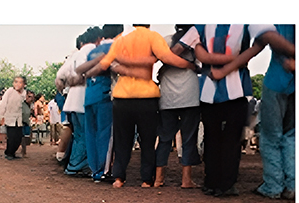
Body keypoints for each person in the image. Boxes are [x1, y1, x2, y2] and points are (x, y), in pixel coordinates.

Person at [185, 24, 293, 197]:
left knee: (212, 138)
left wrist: (206, 56)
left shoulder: (202, 23)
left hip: (207, 91)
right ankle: (227, 184)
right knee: (232, 139)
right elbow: (263, 40)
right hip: (237, 90)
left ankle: (211, 182)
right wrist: (236, 60)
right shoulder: (245, 22)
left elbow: (185, 47)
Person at [85, 24, 195, 188]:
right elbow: (167, 58)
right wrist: (189, 65)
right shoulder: (152, 37)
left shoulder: (121, 41)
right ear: (148, 23)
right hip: (146, 97)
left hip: (122, 97)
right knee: (147, 141)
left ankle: (119, 178)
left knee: (122, 141)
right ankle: (146, 179)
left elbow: (105, 63)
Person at [73, 24, 123, 182]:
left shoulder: (93, 51)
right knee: (105, 134)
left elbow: (81, 71)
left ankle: (95, 170)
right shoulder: (115, 47)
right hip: (105, 94)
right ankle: (104, 171)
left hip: (90, 96)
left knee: (91, 134)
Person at [155, 25, 202, 189]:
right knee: (189, 138)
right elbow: (201, 64)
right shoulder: (197, 40)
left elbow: (162, 58)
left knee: (165, 137)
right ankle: (186, 179)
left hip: (167, 94)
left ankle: (158, 178)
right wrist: (192, 66)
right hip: (190, 92)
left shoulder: (166, 40)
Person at [254, 25, 296, 199]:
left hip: (275, 79)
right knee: (292, 135)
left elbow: (267, 37)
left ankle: (273, 186)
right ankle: (293, 184)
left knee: (271, 136)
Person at [58, 27, 102, 176]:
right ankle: (76, 166)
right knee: (86, 134)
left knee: (78, 134)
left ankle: (75, 164)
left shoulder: (75, 54)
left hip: (71, 99)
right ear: (98, 39)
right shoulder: (91, 50)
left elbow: (60, 76)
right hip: (83, 99)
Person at [0, 76, 27, 160]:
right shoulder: (10, 91)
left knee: (18, 138)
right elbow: (3, 104)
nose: (17, 84)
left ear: (24, 84)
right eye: (16, 82)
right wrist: (1, 116)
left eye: (20, 82)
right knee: (11, 136)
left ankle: (13, 152)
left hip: (19, 119)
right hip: (10, 117)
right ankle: (9, 153)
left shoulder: (24, 93)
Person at [21, 90, 35, 157]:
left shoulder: (31, 105)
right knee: (23, 137)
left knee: (27, 137)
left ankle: (23, 150)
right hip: (21, 122)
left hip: (27, 122)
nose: (30, 98)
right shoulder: (22, 104)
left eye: (32, 97)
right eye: (29, 96)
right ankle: (23, 151)